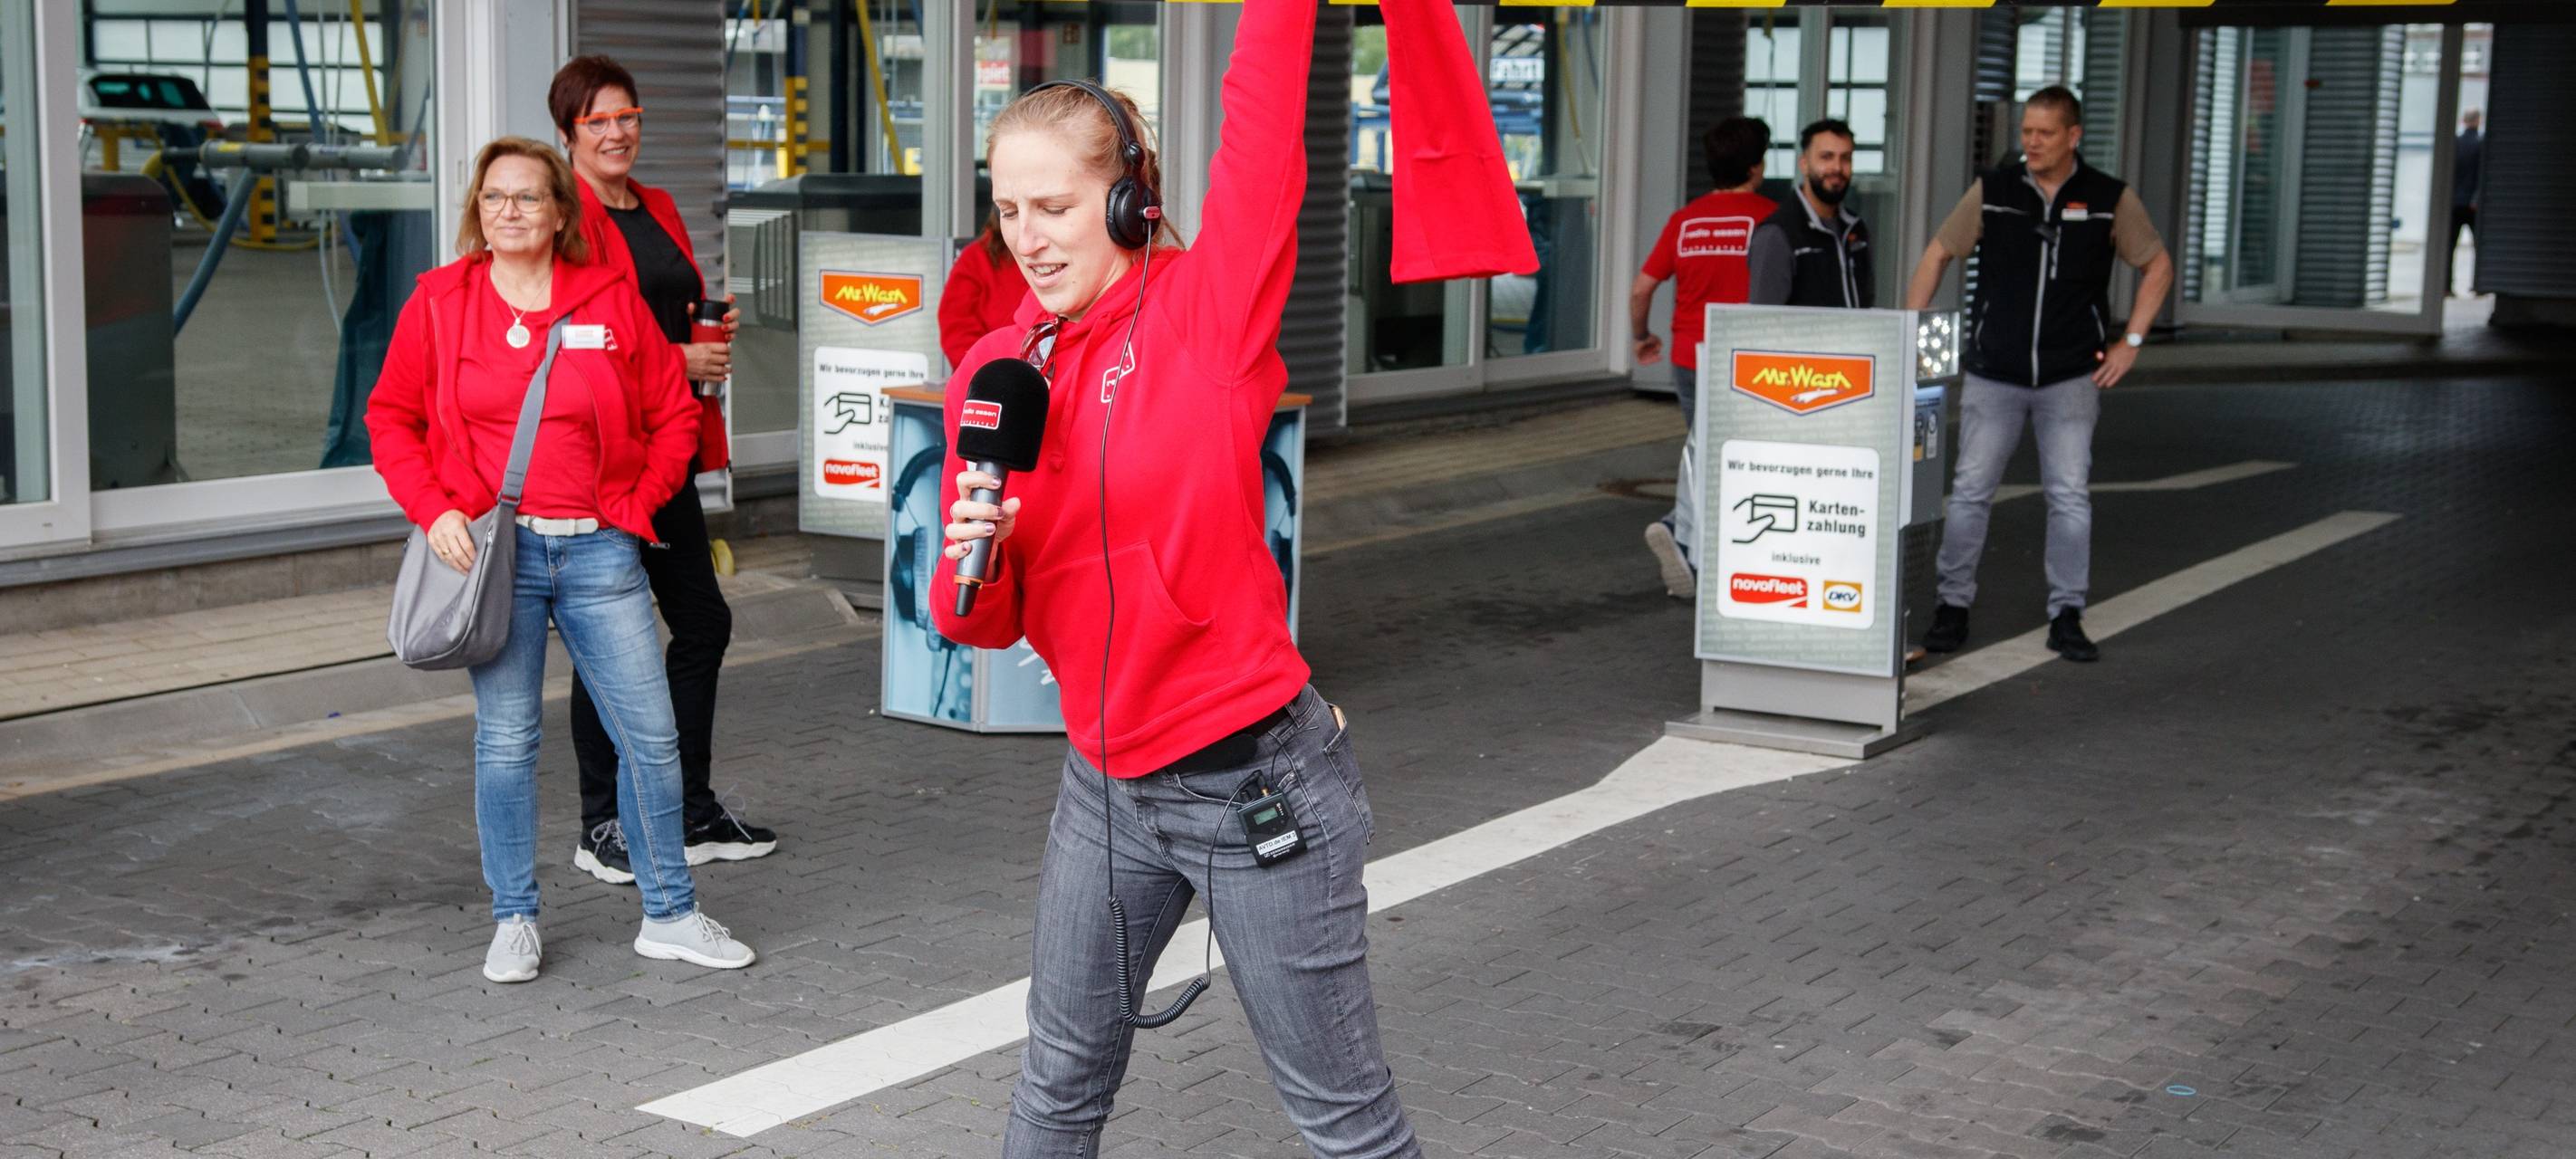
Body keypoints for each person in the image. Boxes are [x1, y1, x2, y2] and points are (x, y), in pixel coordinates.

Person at [930, 2, 1482, 1153]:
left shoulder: (1204, 315)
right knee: (1056, 1083)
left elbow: (1263, 137)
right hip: (1105, 782)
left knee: (1345, 1121)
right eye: (1007, 208)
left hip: (1253, 783)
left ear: (1128, 199)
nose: (1028, 237)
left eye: (1057, 206)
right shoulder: (994, 367)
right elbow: (975, 626)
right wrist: (970, 552)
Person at [367, 137, 755, 982]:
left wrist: (635, 502)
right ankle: (513, 919)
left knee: (650, 739)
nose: (511, 211)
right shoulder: (439, 302)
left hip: (599, 554)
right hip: (498, 556)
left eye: (529, 198)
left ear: (558, 212)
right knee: (506, 742)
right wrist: (433, 510)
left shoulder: (606, 298)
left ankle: (671, 913)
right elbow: (392, 418)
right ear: (478, 209)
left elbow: (672, 414)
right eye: (496, 197)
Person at [548, 56, 778, 886]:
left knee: (702, 623)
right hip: (601, 455)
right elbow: (568, 335)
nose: (617, 133)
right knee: (606, 637)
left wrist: (706, 338)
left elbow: (665, 301)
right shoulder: (561, 215)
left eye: (628, 116)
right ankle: (601, 822)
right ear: (569, 133)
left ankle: (683, 807)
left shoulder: (659, 206)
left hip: (667, 446)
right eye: (597, 121)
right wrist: (675, 354)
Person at [1904, 86, 2174, 665]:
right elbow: (1937, 253)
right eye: (2026, 131)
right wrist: (1910, 333)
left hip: (2070, 378)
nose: (2030, 141)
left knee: (2070, 496)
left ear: (2073, 136)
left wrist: (2130, 343)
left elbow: (2157, 264)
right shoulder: (1994, 192)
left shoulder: (2108, 198)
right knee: (1972, 491)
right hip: (1993, 375)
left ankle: (2067, 613)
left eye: (2044, 133)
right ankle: (1952, 607)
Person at [1629, 116, 1774, 599]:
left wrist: (1642, 336)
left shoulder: (1685, 220)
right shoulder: (1769, 218)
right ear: (1756, 166)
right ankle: (1686, 538)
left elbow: (1642, 287)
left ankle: (1696, 549)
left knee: (1707, 451)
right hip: (1745, 362)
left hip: (1690, 355)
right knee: (1733, 458)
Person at [1748, 119, 1871, 309]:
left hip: (1853, 338)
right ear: (1804, 164)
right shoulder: (1777, 234)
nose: (1837, 168)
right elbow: (1763, 321)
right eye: (1826, 157)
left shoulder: (1856, 228)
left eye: (1845, 158)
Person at [939, 212, 1033, 369]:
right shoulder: (976, 259)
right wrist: (998, 377)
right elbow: (957, 334)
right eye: (1011, 211)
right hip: (997, 382)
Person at [2449, 109, 2483, 298]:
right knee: (2478, 246)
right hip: (2473, 205)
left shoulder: (2455, 143)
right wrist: (2476, 199)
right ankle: (2478, 284)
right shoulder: (2481, 144)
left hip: (2454, 202)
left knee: (2450, 245)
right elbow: (2481, 175)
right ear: (2478, 121)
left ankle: (2446, 286)